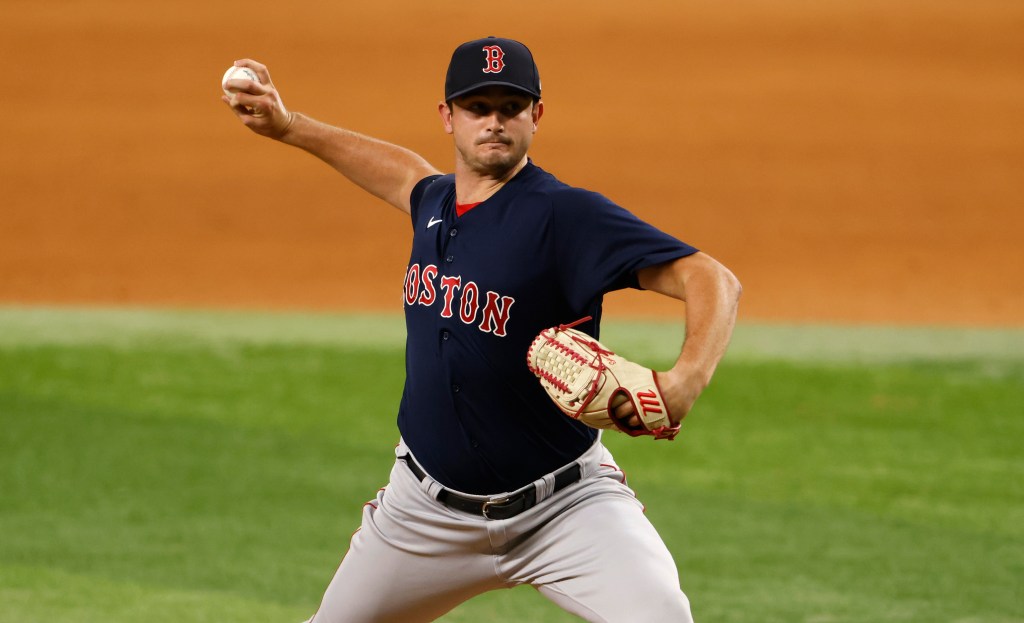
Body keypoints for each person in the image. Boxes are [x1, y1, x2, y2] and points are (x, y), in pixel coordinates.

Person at [224, 36, 741, 623]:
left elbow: (711, 278)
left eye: (510, 107)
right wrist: (289, 126)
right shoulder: (436, 205)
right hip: (422, 515)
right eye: (477, 107)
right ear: (447, 117)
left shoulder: (564, 215)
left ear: (535, 116)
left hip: (566, 508)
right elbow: (402, 173)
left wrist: (685, 381)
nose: (494, 122)